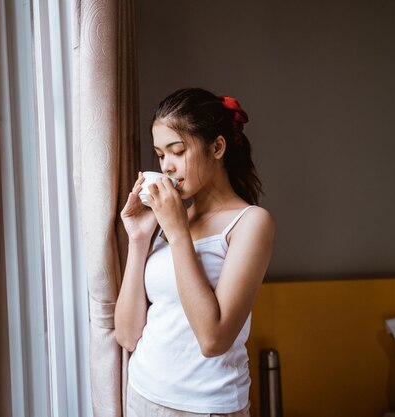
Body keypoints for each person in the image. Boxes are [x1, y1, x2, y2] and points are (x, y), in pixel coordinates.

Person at [115, 88, 275, 417]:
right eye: (161, 155)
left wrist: (176, 233)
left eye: (177, 151)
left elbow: (213, 339)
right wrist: (139, 238)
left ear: (217, 147)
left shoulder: (250, 223)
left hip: (207, 407)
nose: (168, 167)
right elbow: (128, 335)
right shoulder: (169, 221)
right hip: (142, 394)